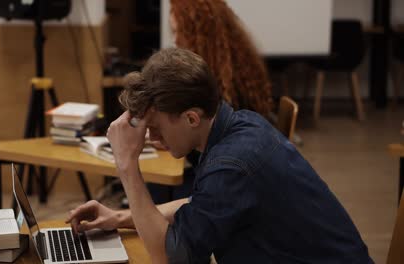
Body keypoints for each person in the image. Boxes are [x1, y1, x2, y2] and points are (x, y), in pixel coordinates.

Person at [66, 48, 373, 263]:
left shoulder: (231, 163)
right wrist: (121, 217)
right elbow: (199, 204)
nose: (150, 136)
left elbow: (169, 258)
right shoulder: (242, 124)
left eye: (156, 127)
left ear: (190, 118)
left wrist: (127, 165)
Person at [169, 0, 273, 117]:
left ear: (197, 37)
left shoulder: (220, 83)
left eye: (178, 33)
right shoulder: (237, 65)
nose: (175, 41)